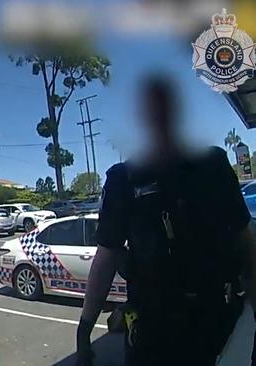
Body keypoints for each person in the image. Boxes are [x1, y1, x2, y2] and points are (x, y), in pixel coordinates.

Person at [75, 74, 256, 366]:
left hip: (214, 321)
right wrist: (84, 330)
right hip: (152, 331)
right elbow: (106, 256)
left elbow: (245, 245)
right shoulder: (123, 180)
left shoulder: (212, 167)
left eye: (166, 111)